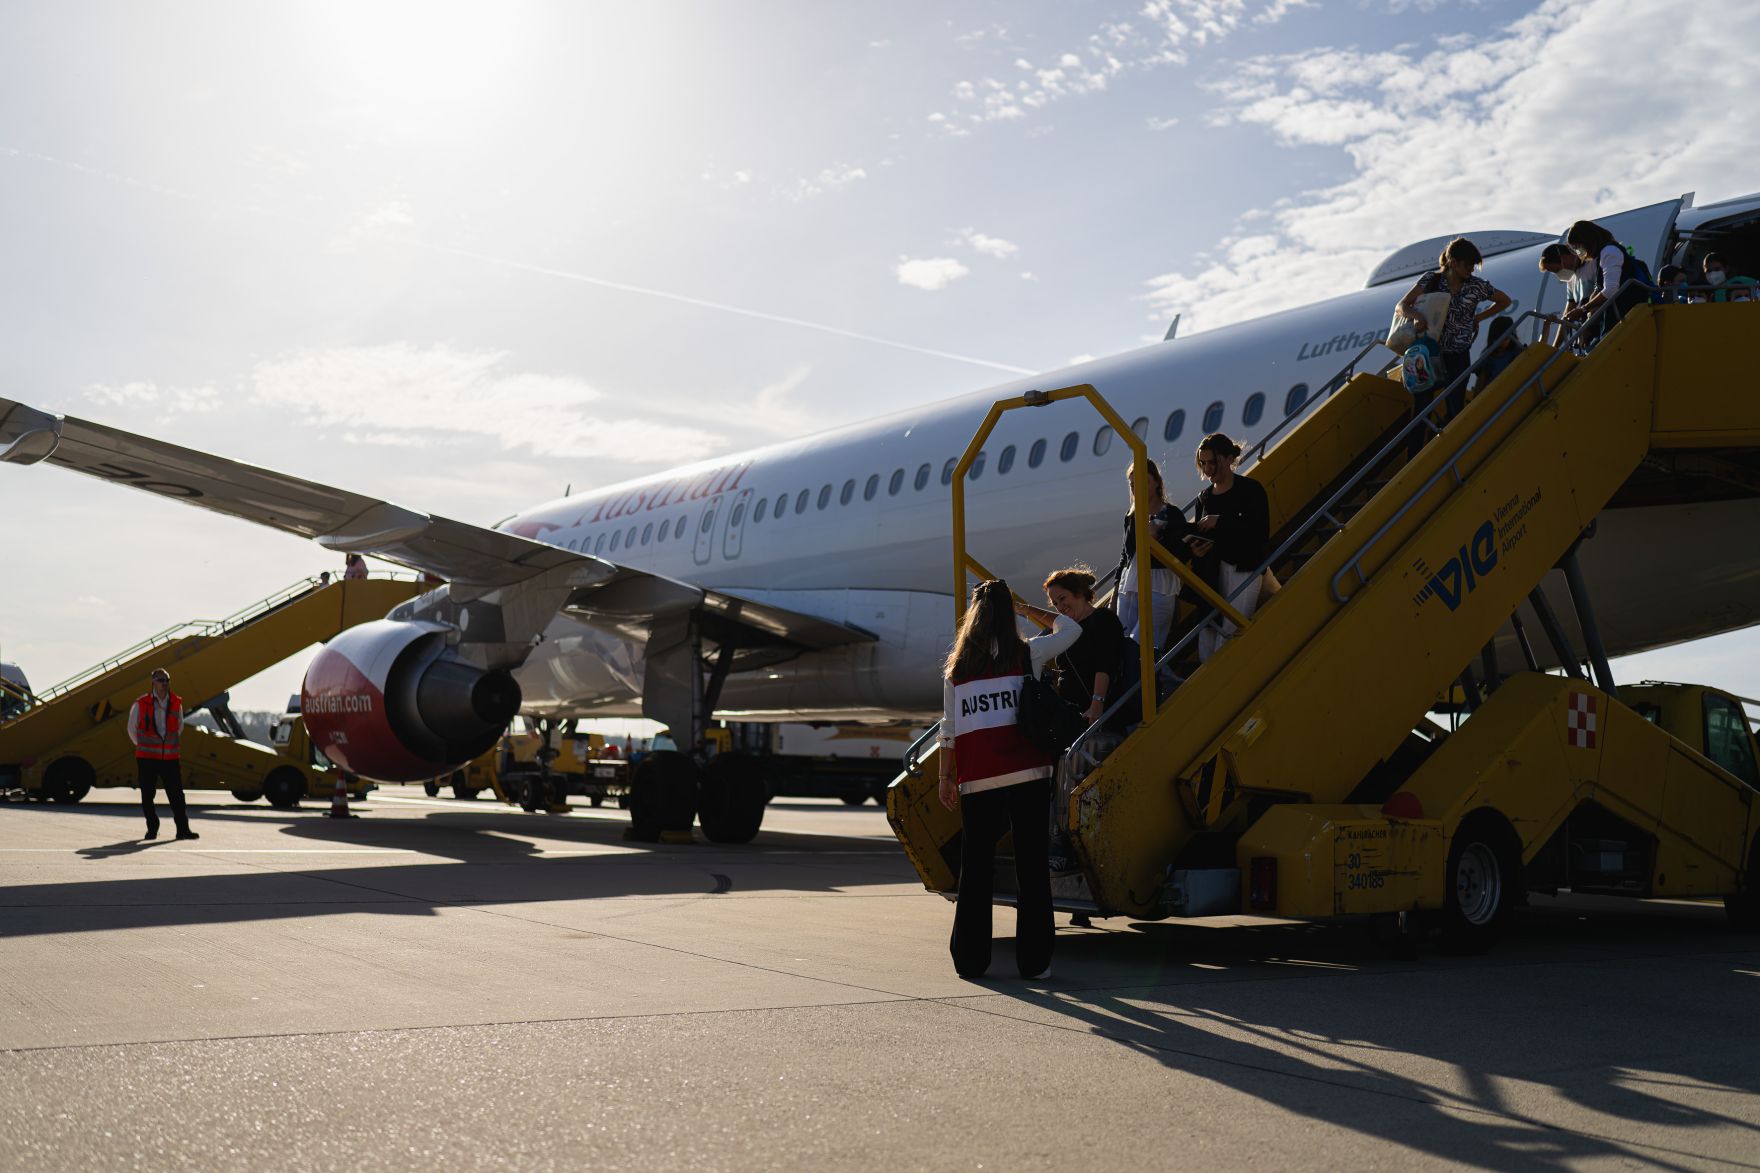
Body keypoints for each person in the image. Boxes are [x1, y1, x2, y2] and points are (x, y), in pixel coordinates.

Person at [936, 578, 1079, 980]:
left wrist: (946, 777)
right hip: (1028, 772)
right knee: (1031, 867)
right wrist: (1028, 610)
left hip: (977, 778)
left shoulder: (957, 670)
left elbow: (949, 728)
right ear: (1006, 614)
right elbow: (1072, 630)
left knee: (975, 868)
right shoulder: (1027, 654)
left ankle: (970, 960)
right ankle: (1034, 963)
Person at [1397, 237, 1511, 419]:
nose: (1471, 270)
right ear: (1453, 262)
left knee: (1455, 406)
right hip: (1430, 352)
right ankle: (1416, 446)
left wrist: (1479, 318)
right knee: (1422, 406)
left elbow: (1504, 300)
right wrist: (1417, 316)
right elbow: (1402, 305)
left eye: (1474, 266)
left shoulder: (1476, 286)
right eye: (1468, 265)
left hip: (1459, 354)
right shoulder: (1432, 280)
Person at [1191, 433, 1270, 663]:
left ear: (1227, 459)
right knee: (1207, 638)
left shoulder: (1250, 490)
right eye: (1202, 463)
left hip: (1243, 568)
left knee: (1231, 631)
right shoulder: (1203, 498)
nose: (1207, 469)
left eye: (1211, 462)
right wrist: (1195, 549)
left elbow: (1260, 532)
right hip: (1212, 571)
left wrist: (1221, 521)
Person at [1016, 567, 1126, 729]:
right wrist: (1054, 674)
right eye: (1055, 604)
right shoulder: (1070, 629)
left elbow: (1105, 664)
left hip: (1095, 712)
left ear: (1079, 593)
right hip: (1074, 712)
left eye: (1062, 598)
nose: (1060, 607)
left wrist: (1097, 704)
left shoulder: (1102, 619)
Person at [1110, 460, 1189, 656]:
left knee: (1144, 647)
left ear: (1156, 482)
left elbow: (1181, 552)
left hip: (1159, 584)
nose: (1137, 488)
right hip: (1129, 586)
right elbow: (1125, 556)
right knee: (1124, 646)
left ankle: (1160, 683)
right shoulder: (1131, 515)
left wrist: (1155, 538)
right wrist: (1114, 592)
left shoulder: (1172, 514)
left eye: (1143, 482)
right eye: (1133, 484)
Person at [128, 668, 197, 841]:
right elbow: (132, 729)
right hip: (147, 758)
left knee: (177, 796)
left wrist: (166, 746)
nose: (164, 684)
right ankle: (152, 828)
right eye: (161, 680)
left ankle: (183, 830)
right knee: (147, 796)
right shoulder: (141, 703)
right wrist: (144, 746)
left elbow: (179, 727)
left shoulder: (175, 702)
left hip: (170, 758)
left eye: (167, 680)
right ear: (153, 682)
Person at [1561, 220, 1653, 336]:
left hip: (1625, 312)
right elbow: (1599, 287)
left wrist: (1583, 309)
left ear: (1587, 241)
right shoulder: (1603, 254)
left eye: (1578, 247)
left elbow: (1610, 290)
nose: (1579, 252)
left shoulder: (1609, 251)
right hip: (1618, 313)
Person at [1473, 316, 1524, 395]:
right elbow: (1479, 384)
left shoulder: (1518, 353)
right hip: (1492, 395)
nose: (1500, 343)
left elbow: (1537, 357)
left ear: (1512, 337)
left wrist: (1546, 325)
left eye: (1505, 339)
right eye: (1496, 339)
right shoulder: (1488, 358)